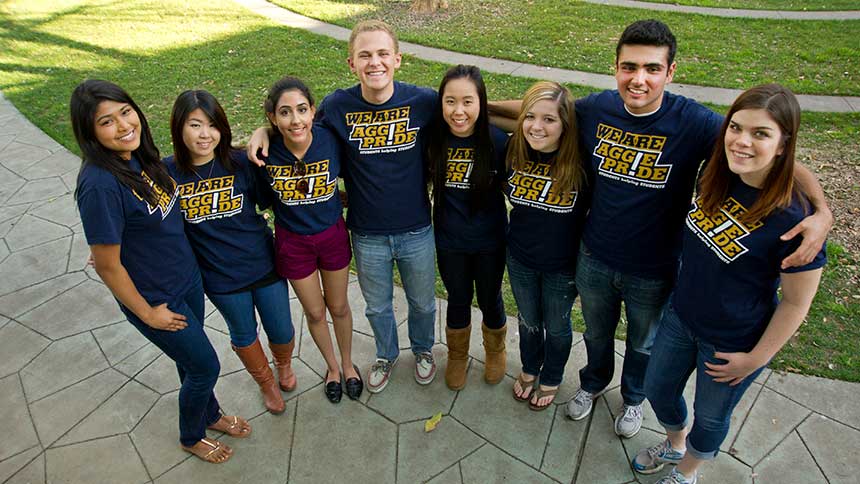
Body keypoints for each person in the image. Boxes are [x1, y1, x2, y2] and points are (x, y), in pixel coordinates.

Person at [632, 84, 826, 484]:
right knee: (657, 388)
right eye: (736, 127)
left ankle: (688, 471)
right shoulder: (716, 173)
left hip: (733, 341)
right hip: (681, 315)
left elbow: (795, 304)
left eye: (761, 134)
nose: (742, 141)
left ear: (784, 143)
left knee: (712, 414)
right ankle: (675, 442)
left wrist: (756, 359)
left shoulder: (795, 220)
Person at [249, 20, 438, 394]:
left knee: (422, 303)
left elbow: (468, 112)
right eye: (365, 55)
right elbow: (297, 127)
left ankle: (423, 350)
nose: (375, 62)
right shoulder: (337, 106)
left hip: (416, 228)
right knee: (377, 307)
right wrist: (263, 131)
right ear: (351, 63)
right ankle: (385, 354)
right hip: (366, 233)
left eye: (383, 53)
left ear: (397, 59)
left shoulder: (424, 101)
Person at [71, 80, 250, 464]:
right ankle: (191, 435)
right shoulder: (99, 184)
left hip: (186, 280)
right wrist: (147, 312)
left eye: (125, 112)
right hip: (156, 299)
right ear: (90, 132)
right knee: (205, 366)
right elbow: (107, 265)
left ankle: (212, 414)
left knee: (191, 363)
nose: (122, 126)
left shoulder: (138, 158)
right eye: (107, 121)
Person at [165, 90, 296, 415]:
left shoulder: (240, 161)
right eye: (195, 125)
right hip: (220, 276)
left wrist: (264, 131)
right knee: (243, 332)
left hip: (263, 263)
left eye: (212, 125)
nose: (205, 134)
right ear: (179, 128)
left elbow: (278, 191)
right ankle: (265, 382)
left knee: (282, 329)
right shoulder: (167, 174)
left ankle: (283, 364)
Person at [261, 76, 362, 403]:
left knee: (339, 306)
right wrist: (258, 135)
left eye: (302, 110)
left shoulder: (330, 140)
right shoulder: (265, 152)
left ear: (313, 111)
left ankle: (348, 365)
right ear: (273, 119)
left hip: (332, 235)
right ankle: (331, 368)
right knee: (316, 312)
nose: (295, 120)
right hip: (293, 243)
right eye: (285, 113)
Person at [506, 81, 589, 411]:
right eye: (530, 116)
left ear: (566, 124)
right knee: (528, 320)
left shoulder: (581, 165)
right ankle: (530, 366)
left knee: (556, 326)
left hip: (562, 266)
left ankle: (552, 374)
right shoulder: (514, 151)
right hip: (521, 259)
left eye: (549, 120)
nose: (536, 127)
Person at [427, 65, 509, 390]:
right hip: (450, 240)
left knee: (490, 298)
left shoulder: (498, 142)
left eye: (467, 102)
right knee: (458, 298)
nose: (458, 111)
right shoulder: (433, 140)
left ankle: (495, 350)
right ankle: (458, 355)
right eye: (450, 102)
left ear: (481, 103)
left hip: (490, 239)